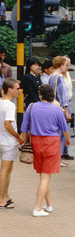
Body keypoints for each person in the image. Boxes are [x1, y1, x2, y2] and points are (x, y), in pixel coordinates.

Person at [21, 83, 72, 216]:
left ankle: (48, 205)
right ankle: (37, 208)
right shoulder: (57, 110)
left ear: (41, 95)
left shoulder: (31, 107)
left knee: (43, 175)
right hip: (51, 143)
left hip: (36, 142)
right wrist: (68, 140)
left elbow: (24, 129)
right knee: (45, 177)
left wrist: (21, 143)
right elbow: (65, 130)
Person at [0, 78, 22, 209]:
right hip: (9, 142)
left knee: (7, 170)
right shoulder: (10, 105)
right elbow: (8, 124)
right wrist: (18, 137)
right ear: (10, 89)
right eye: (17, 88)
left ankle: (5, 195)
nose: (19, 91)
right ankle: (0, 199)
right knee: (4, 171)